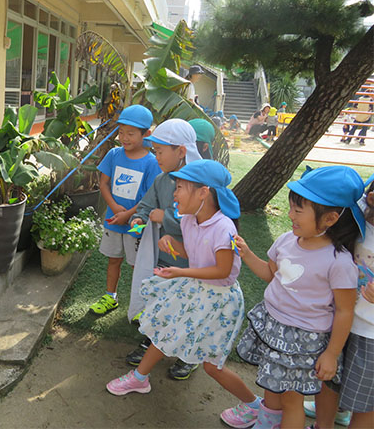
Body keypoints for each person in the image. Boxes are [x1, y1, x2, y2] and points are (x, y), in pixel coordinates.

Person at [106, 160, 259, 413]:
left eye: (179, 187)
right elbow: (193, 251)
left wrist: (180, 271)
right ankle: (139, 378)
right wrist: (171, 243)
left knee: (212, 366)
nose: (174, 193)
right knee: (164, 328)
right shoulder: (189, 219)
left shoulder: (224, 228)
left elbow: (221, 270)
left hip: (219, 301)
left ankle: (255, 405)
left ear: (203, 192)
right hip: (197, 289)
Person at [221, 166, 364, 429]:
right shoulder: (287, 240)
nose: (290, 215)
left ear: (330, 219)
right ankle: (266, 423)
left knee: (290, 400)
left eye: (298, 211)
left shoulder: (339, 262)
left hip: (303, 340)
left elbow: (344, 311)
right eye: (291, 208)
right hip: (273, 326)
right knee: (273, 391)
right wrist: (247, 253)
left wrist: (331, 354)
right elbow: (271, 273)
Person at [124, 119, 202, 380]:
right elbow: (147, 206)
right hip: (163, 258)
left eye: (159, 152)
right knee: (159, 302)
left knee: (188, 307)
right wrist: (139, 219)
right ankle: (151, 342)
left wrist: (163, 216)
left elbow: (199, 220)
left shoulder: (202, 184)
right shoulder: (161, 180)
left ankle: (187, 355)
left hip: (192, 261)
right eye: (155, 151)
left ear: (181, 151)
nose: (156, 157)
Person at [304, 174, 374, 429]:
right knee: (328, 380)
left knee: (365, 401)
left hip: (370, 332)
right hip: (337, 317)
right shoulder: (357, 213)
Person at [89, 105, 160, 315]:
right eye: (121, 132)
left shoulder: (151, 162)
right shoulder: (113, 154)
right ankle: (110, 297)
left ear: (146, 134)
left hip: (136, 225)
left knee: (137, 266)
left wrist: (127, 215)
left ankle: (140, 306)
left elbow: (150, 197)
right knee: (113, 260)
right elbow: (103, 183)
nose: (124, 138)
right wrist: (114, 208)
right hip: (113, 221)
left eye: (130, 133)